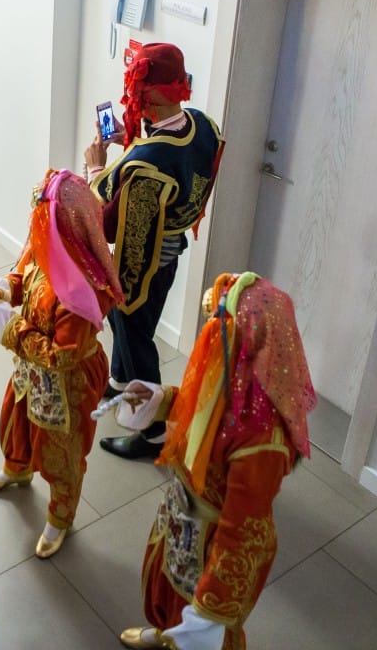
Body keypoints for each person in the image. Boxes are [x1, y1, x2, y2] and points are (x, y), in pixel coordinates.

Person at [117, 273, 316, 650]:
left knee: (203, 628)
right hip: (184, 521)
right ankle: (167, 632)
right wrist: (160, 401)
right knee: (171, 593)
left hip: (214, 544)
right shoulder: (232, 376)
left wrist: (208, 613)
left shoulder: (263, 444)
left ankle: (186, 632)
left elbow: (243, 534)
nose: (211, 336)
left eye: (222, 328)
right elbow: (201, 411)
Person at [84, 42, 224, 461]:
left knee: (135, 332)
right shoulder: (202, 125)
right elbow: (174, 166)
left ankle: (153, 431)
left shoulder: (146, 161)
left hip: (142, 262)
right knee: (124, 323)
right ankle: (119, 380)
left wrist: (95, 165)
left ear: (148, 100)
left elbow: (105, 214)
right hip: (171, 247)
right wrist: (128, 145)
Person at [0, 170, 124, 558]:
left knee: (61, 451)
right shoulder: (53, 243)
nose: (35, 228)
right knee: (16, 417)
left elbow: (63, 355)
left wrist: (11, 328)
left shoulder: (83, 287)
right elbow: (26, 269)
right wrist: (5, 288)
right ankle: (17, 468)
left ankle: (60, 517)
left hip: (68, 382)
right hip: (31, 366)